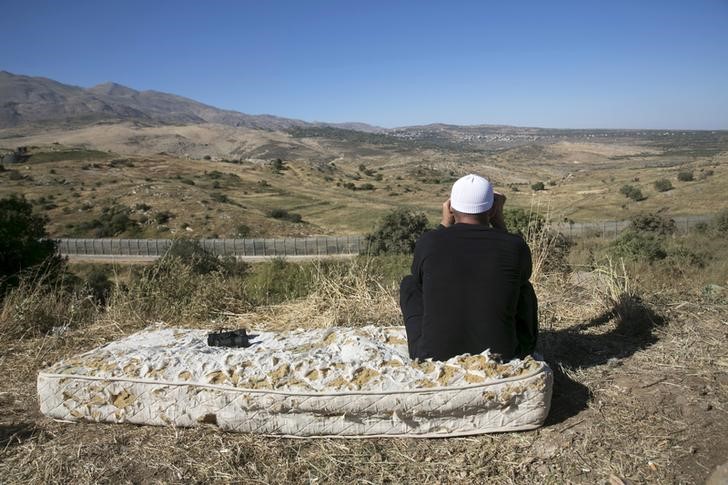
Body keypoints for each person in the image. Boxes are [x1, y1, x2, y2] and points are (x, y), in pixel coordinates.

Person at [399, 174, 538, 362]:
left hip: (433, 356)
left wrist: (444, 225)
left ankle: (427, 343)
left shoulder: (429, 241)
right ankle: (526, 347)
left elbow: (420, 277)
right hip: (501, 355)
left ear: (451, 208)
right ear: (493, 209)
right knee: (524, 287)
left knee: (410, 283)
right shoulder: (514, 246)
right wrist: (499, 221)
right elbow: (517, 272)